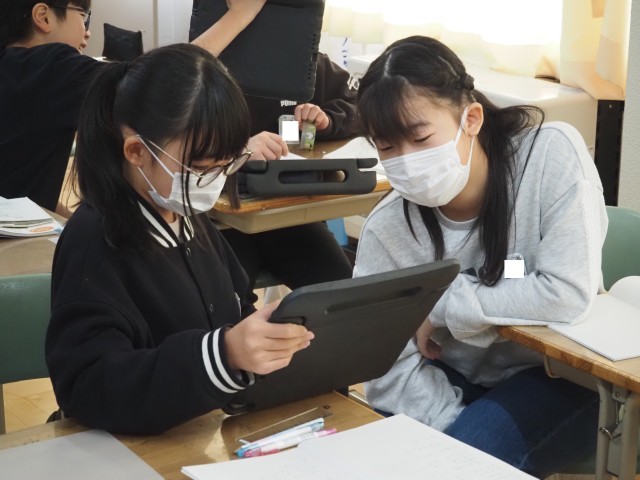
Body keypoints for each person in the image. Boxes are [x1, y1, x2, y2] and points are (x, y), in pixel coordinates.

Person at [354, 36, 608, 477]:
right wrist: (455, 436)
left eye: (420, 137)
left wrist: (439, 306)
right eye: (387, 147)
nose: (407, 161)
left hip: (559, 377)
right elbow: (385, 368)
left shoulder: (549, 156)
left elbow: (567, 292)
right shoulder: (388, 227)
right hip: (449, 374)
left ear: (470, 119)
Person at [44, 43, 314, 434]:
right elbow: (88, 387)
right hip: (131, 448)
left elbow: (235, 306)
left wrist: (263, 339)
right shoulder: (94, 242)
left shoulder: (190, 220)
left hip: (204, 433)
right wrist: (224, 354)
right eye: (202, 168)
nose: (214, 181)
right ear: (137, 151)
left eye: (227, 164)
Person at [0, 0, 266, 214]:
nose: (87, 31)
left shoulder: (15, 69)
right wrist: (240, 15)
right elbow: (162, 82)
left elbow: (25, 187)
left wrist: (67, 223)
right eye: (83, 15)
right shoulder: (48, 68)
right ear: (43, 17)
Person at [220, 53, 358, 295]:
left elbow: (361, 107)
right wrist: (237, 152)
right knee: (229, 301)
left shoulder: (309, 61)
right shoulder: (215, 63)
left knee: (340, 293)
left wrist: (327, 120)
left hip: (288, 216)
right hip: (226, 218)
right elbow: (182, 142)